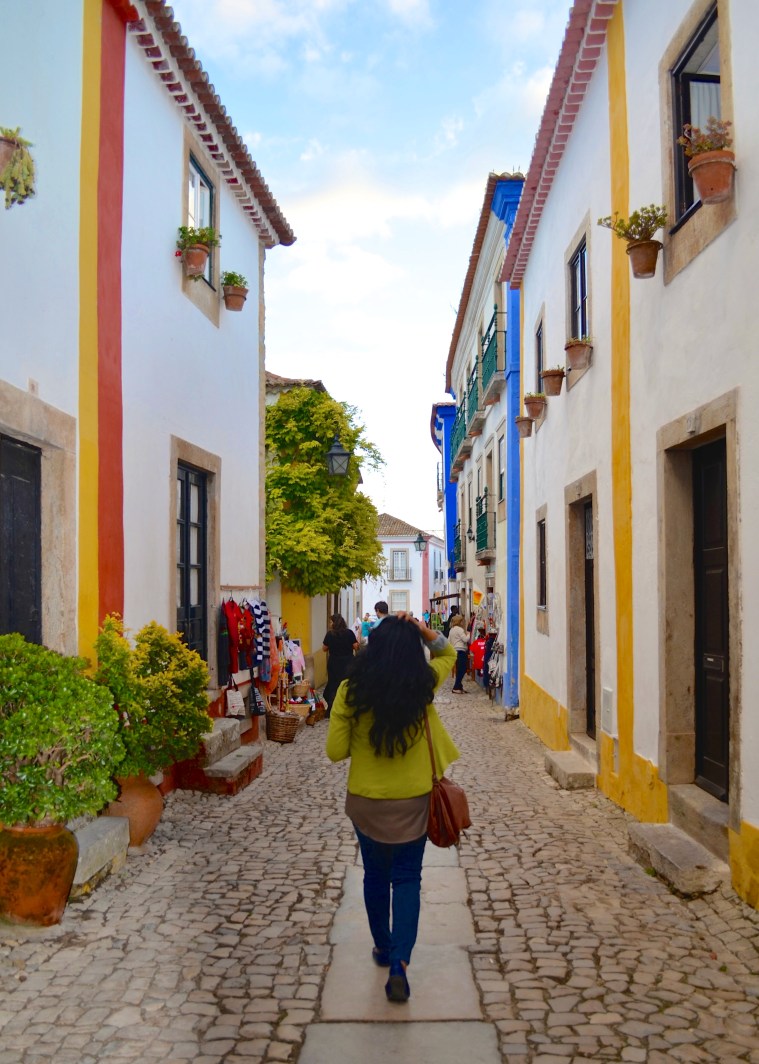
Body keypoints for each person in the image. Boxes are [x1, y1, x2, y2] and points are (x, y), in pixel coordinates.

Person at [326, 614, 458, 1004]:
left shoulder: (351, 690)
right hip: (414, 801)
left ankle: (383, 949)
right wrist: (421, 629)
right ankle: (400, 963)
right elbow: (449, 653)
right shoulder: (421, 685)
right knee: (406, 878)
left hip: (366, 802)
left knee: (374, 876)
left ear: (373, 648)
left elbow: (335, 751)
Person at [322, 614, 358, 713]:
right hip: (348, 662)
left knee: (333, 684)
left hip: (334, 663)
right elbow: (356, 647)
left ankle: (331, 708)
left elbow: (324, 649)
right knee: (347, 684)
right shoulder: (349, 633)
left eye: (331, 622)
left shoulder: (330, 634)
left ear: (335, 623)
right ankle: (347, 707)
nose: (329, 624)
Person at [448, 613, 469, 693]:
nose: (463, 623)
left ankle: (459, 686)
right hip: (461, 651)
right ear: (459, 622)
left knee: (459, 669)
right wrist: (470, 634)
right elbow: (465, 640)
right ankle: (456, 687)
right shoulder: (460, 630)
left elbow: (448, 641)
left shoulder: (451, 630)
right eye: (462, 621)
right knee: (463, 669)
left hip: (454, 651)